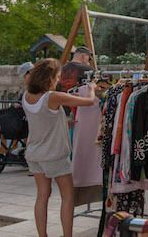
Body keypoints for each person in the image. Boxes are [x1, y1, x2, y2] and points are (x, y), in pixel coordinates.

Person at [22, 58, 97, 237]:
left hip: (34, 154)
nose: (58, 81)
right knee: (68, 196)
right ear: (49, 78)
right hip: (54, 155)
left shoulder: (26, 96)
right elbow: (89, 102)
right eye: (57, 77)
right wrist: (92, 88)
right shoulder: (52, 97)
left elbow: (44, 120)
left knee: (42, 196)